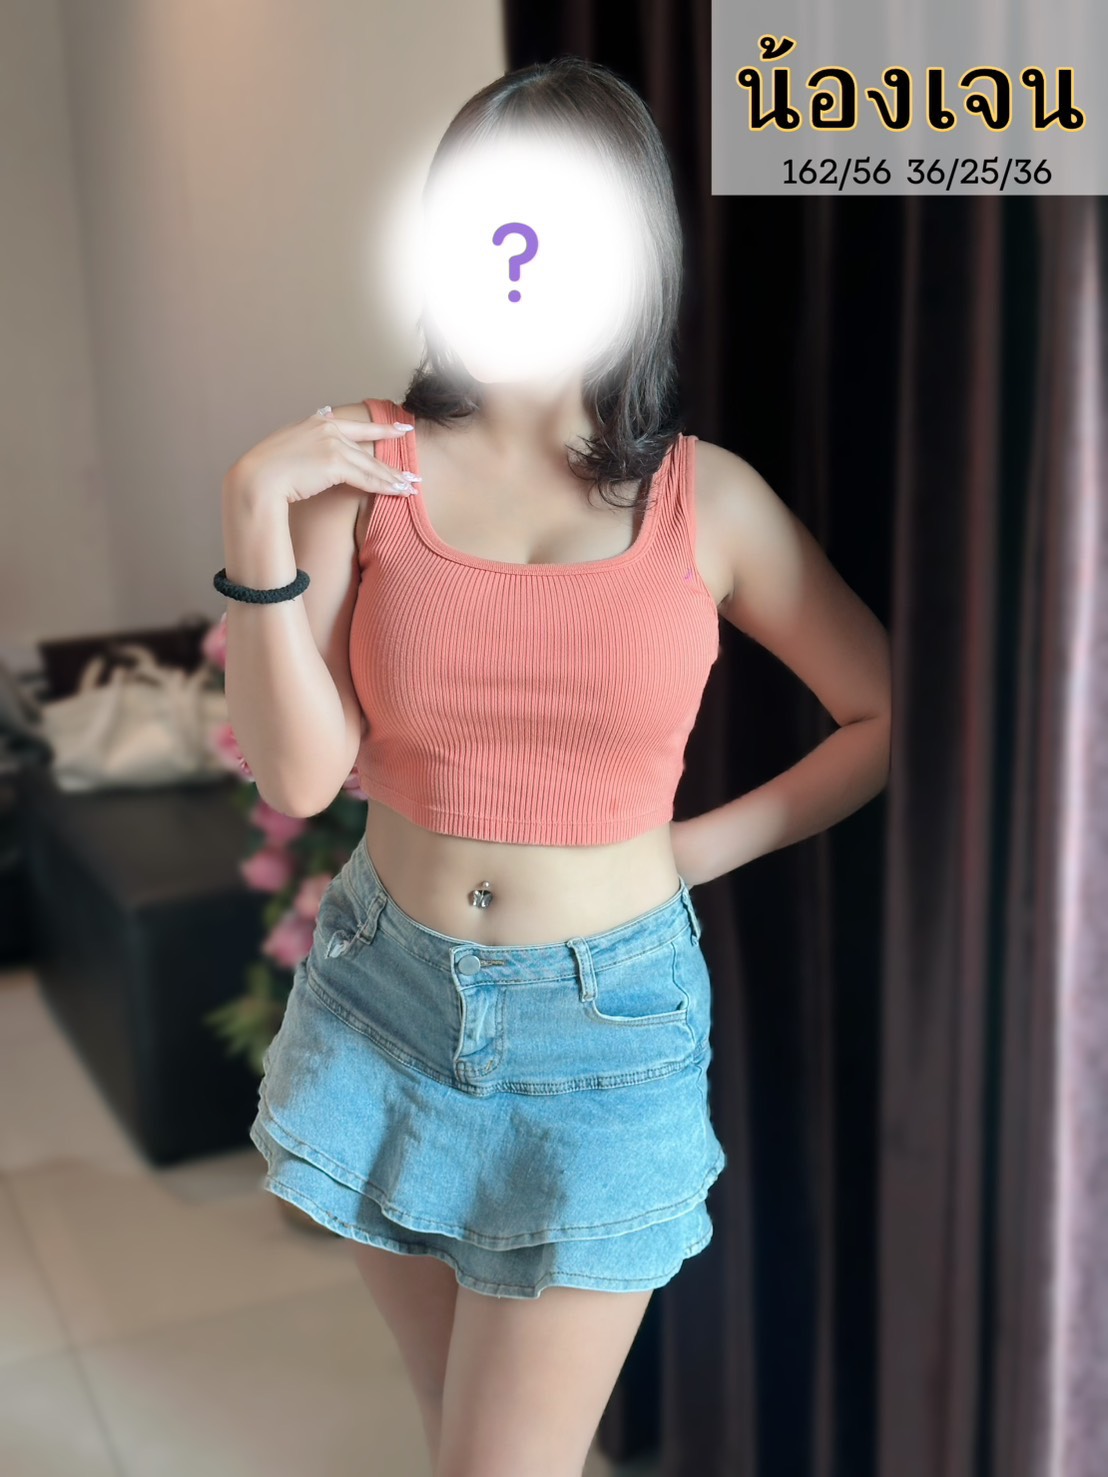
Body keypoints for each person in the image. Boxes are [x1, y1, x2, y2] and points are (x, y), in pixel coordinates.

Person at [216, 56, 891, 1477]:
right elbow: (299, 778)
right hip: (383, 995)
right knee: (461, 1434)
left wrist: (689, 851)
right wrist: (255, 517)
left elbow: (879, 712)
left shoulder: (707, 498)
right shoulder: (369, 471)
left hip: (606, 1033)